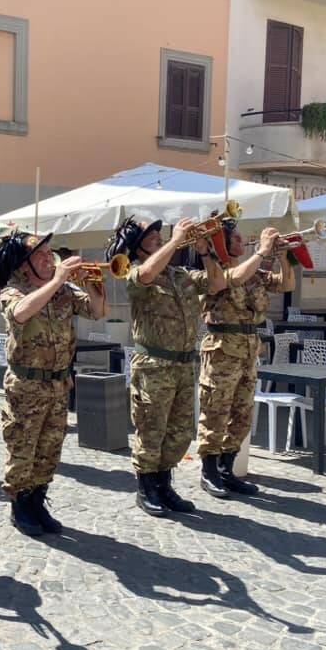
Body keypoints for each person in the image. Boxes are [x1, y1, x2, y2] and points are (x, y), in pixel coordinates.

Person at [106, 216, 226, 518]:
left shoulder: (179, 273)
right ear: (138, 246)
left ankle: (164, 483)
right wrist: (176, 240)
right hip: (154, 365)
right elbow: (145, 275)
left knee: (181, 431)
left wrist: (205, 251)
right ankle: (146, 487)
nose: (159, 237)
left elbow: (217, 283)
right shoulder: (133, 271)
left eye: (160, 235)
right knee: (152, 428)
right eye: (152, 236)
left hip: (184, 364)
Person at [0, 231, 107, 536]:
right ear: (23, 264)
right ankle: (20, 505)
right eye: (40, 253)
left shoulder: (64, 291)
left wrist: (95, 285)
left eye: (48, 252)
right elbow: (20, 313)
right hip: (26, 387)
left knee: (50, 449)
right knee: (23, 449)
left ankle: (38, 501)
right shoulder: (13, 290)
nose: (48, 257)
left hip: (58, 385)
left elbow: (97, 312)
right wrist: (58, 281)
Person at [196, 222, 291, 497]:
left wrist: (284, 259)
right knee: (215, 411)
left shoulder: (254, 272)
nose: (242, 241)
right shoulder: (215, 273)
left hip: (249, 350)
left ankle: (228, 468)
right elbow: (234, 278)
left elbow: (287, 284)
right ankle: (209, 471)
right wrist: (263, 250)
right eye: (236, 238)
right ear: (224, 244)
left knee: (242, 413)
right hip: (223, 350)